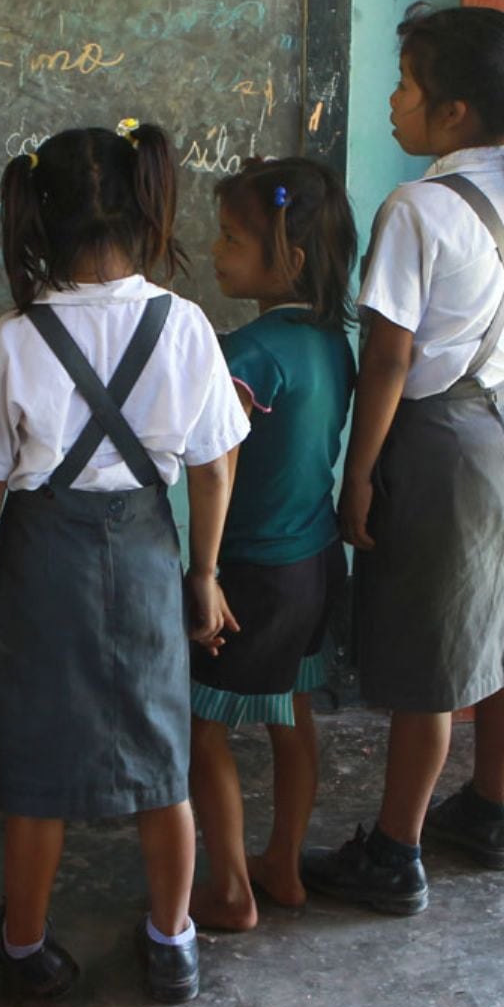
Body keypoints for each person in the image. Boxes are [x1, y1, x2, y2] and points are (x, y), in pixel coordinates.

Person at [0, 120, 250, 1005]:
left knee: (37, 771)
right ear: (144, 206)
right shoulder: (186, 325)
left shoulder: (12, 340)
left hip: (44, 561)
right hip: (152, 557)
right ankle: (172, 941)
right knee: (163, 757)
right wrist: (205, 573)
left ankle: (22, 943)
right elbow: (213, 467)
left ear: (38, 218)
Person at [303, 3, 504, 915]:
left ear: (454, 111)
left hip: (431, 443)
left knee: (429, 657)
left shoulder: (416, 208)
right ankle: (490, 811)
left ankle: (396, 850)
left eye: (407, 85)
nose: (393, 101)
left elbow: (387, 360)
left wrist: (357, 474)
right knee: (500, 634)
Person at [187, 158, 357, 929]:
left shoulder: (248, 353)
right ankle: (282, 864)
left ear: (285, 256)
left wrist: (205, 571)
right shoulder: (333, 341)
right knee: (291, 713)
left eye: (230, 238)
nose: (216, 251)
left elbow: (218, 465)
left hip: (254, 571)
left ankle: (228, 888)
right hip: (316, 562)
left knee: (201, 727)